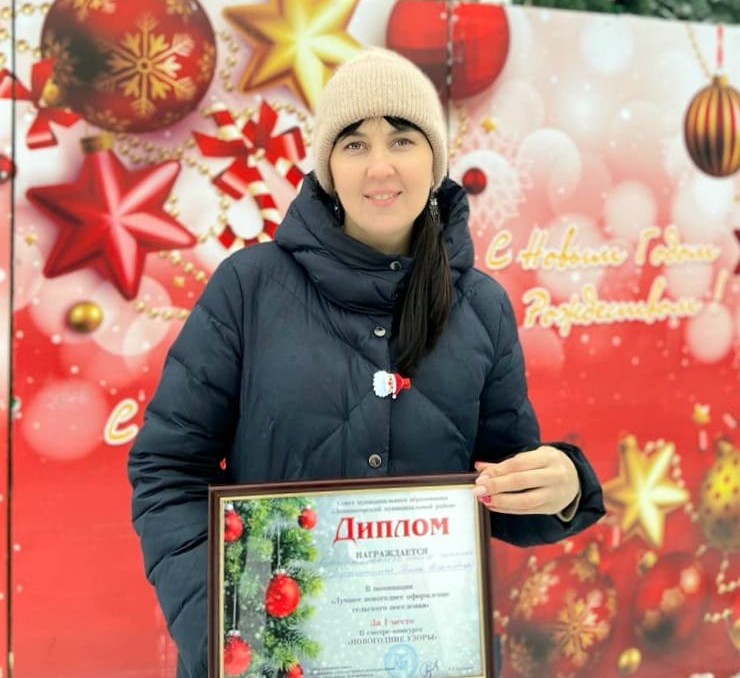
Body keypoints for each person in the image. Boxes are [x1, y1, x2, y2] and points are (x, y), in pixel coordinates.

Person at [128, 47, 605, 678]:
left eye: (402, 139)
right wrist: (223, 628)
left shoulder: (481, 306)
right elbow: (168, 470)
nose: (380, 166)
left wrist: (565, 486)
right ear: (328, 166)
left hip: (426, 659)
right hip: (272, 661)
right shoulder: (248, 288)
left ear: (434, 158)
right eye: (354, 144)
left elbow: (500, 484)